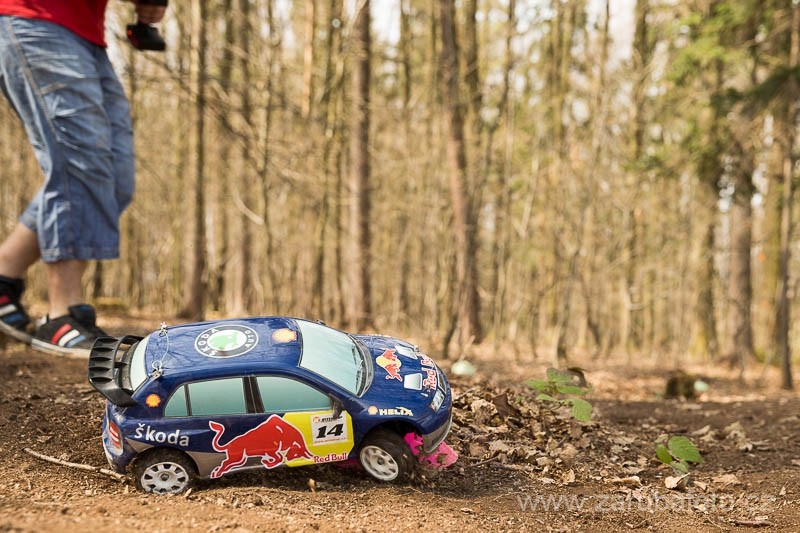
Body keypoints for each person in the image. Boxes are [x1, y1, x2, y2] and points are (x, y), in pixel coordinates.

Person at [0, 0, 166, 356]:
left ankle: (4, 272)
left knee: (114, 179)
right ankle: (62, 313)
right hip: (36, 18)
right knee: (78, 165)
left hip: (87, 33)